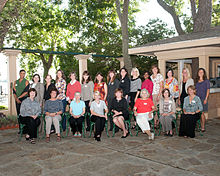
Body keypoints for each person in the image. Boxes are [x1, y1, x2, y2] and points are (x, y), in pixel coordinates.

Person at [195, 68, 210, 132]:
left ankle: (203, 127)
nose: (200, 73)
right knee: (197, 113)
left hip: (203, 99)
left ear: (204, 73)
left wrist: (206, 98)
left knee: (202, 113)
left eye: (202, 72)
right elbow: (195, 90)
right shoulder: (196, 81)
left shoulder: (206, 81)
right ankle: (197, 126)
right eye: (199, 72)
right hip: (197, 99)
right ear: (198, 73)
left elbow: (208, 90)